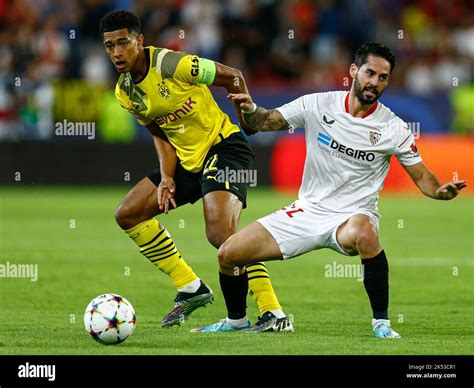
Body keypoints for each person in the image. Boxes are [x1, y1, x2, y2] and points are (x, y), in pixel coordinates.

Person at [192, 42, 467, 336]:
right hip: (307, 210)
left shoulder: (393, 128)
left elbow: (422, 176)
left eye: (383, 77)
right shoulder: (317, 104)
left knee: (364, 233)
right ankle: (236, 321)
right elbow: (264, 122)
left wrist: (439, 191)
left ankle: (382, 323)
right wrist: (248, 108)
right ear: (354, 71)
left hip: (352, 217)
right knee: (228, 254)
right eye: (370, 73)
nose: (375, 82)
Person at [99, 10, 292, 331]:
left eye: (123, 43)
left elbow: (233, 76)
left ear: (139, 41)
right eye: (109, 46)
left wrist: (248, 121)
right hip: (186, 161)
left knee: (221, 235)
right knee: (128, 213)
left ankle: (273, 312)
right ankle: (190, 287)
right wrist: (167, 177)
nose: (117, 52)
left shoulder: (173, 65)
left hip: (224, 147)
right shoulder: (125, 92)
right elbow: (158, 132)